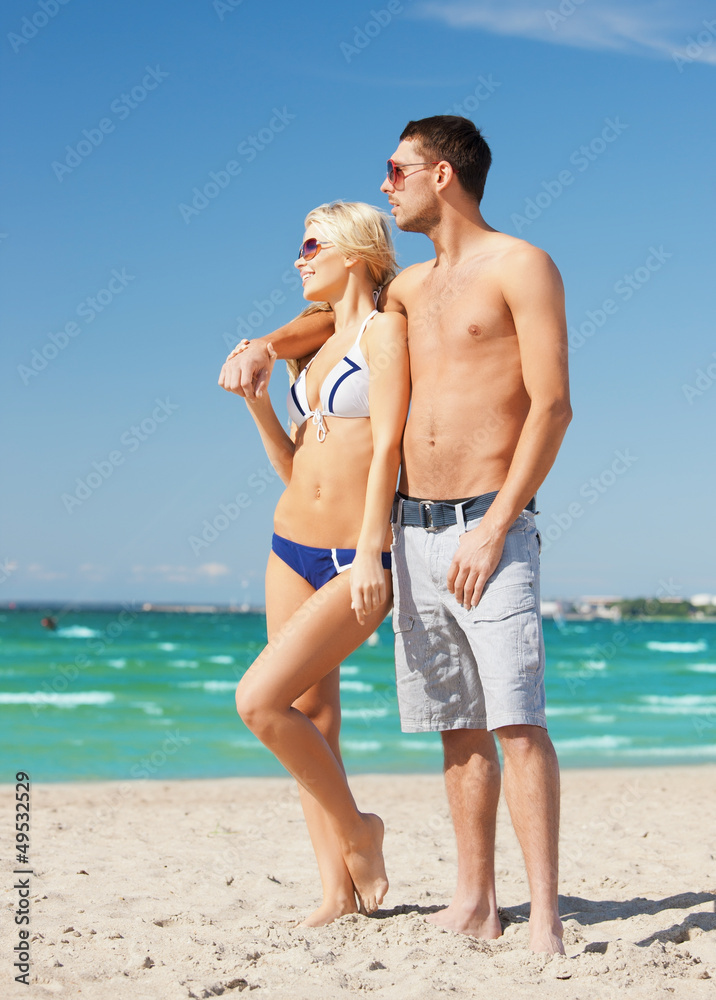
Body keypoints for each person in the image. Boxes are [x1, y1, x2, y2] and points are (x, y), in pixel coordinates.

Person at [221, 116, 571, 955]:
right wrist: (264, 345)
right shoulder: (407, 289)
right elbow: (326, 325)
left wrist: (495, 525)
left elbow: (553, 405)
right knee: (456, 726)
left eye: (398, 168)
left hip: (490, 525)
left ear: (443, 174)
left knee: (517, 721)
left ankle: (548, 916)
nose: (386, 184)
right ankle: (475, 901)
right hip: (413, 530)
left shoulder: (522, 264)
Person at [220, 201, 409, 925]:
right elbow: (297, 468)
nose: (299, 258)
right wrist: (259, 405)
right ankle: (335, 894)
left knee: (257, 702)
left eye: (311, 244)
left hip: (350, 554)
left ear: (356, 252)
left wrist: (370, 553)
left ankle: (362, 832)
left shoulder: (382, 332)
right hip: (286, 544)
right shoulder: (315, 345)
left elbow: (386, 447)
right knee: (310, 716)